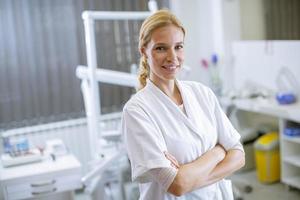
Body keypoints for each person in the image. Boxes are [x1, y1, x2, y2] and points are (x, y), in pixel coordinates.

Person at [121, 9, 245, 200]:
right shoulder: (137, 111)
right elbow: (177, 185)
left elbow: (238, 155)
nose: (172, 57)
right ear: (143, 51)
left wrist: (190, 176)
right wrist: (219, 151)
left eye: (178, 47)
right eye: (161, 48)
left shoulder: (202, 93)